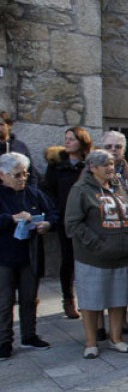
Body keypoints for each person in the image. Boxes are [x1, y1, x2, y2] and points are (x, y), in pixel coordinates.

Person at [65, 150, 128, 359]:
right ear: (92, 168)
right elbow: (73, 224)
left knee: (118, 299)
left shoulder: (118, 187)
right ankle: (91, 343)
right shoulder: (81, 190)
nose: (110, 168)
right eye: (105, 165)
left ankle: (116, 338)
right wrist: (97, 245)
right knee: (91, 301)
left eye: (111, 164)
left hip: (121, 255)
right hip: (93, 258)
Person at [0, 152, 57, 359]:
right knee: (4, 301)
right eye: (17, 175)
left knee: (29, 298)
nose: (22, 178)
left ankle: (29, 335)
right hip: (4, 256)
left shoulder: (33, 193)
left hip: (30, 254)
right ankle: (4, 341)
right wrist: (11, 218)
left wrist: (47, 224)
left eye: (25, 174)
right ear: (2, 175)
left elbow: (53, 213)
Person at [98, 130, 128, 336]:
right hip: (102, 236)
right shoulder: (91, 170)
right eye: (109, 146)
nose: (113, 150)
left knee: (125, 282)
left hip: (125, 235)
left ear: (124, 149)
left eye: (117, 147)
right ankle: (99, 326)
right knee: (100, 283)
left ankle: (123, 323)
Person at [43, 126, 91, 319]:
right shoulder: (56, 165)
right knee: (68, 260)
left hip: (87, 219)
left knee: (87, 261)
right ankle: (68, 299)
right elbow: (48, 191)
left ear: (82, 142)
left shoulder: (88, 165)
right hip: (65, 218)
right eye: (66, 139)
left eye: (71, 139)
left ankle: (89, 300)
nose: (67, 142)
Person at [0, 111, 38, 185]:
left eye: (1, 124)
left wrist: (31, 191)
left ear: (9, 125)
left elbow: (31, 172)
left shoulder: (20, 147)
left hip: (17, 193)